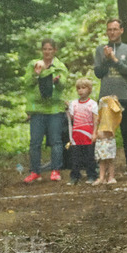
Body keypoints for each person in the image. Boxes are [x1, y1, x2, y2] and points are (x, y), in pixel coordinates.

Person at [94, 18, 127, 177]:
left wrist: (114, 59)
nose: (112, 32)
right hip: (106, 97)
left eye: (115, 29)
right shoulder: (100, 50)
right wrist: (107, 60)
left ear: (121, 30)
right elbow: (98, 73)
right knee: (104, 132)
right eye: (109, 29)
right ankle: (101, 165)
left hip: (124, 96)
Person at [23, 38, 69, 183]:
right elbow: (27, 83)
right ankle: (35, 171)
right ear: (41, 50)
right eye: (45, 49)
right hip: (37, 110)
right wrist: (36, 74)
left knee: (56, 141)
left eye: (50, 49)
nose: (47, 52)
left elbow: (63, 85)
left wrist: (57, 81)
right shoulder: (33, 64)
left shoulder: (60, 66)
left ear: (55, 50)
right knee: (35, 142)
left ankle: (56, 170)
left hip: (55, 109)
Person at [66, 78, 99, 185]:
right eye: (78, 88)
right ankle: (75, 176)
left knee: (89, 156)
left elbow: (95, 120)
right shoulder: (74, 103)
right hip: (76, 135)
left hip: (88, 135)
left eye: (83, 88)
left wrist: (95, 133)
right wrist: (67, 108)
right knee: (75, 157)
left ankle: (92, 175)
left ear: (89, 89)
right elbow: (72, 118)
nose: (81, 90)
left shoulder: (93, 104)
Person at [93, 95, 123, 185]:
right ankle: (101, 177)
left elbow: (117, 112)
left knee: (109, 160)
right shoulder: (100, 114)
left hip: (108, 140)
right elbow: (96, 121)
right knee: (101, 160)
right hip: (100, 140)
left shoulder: (111, 116)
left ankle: (111, 177)